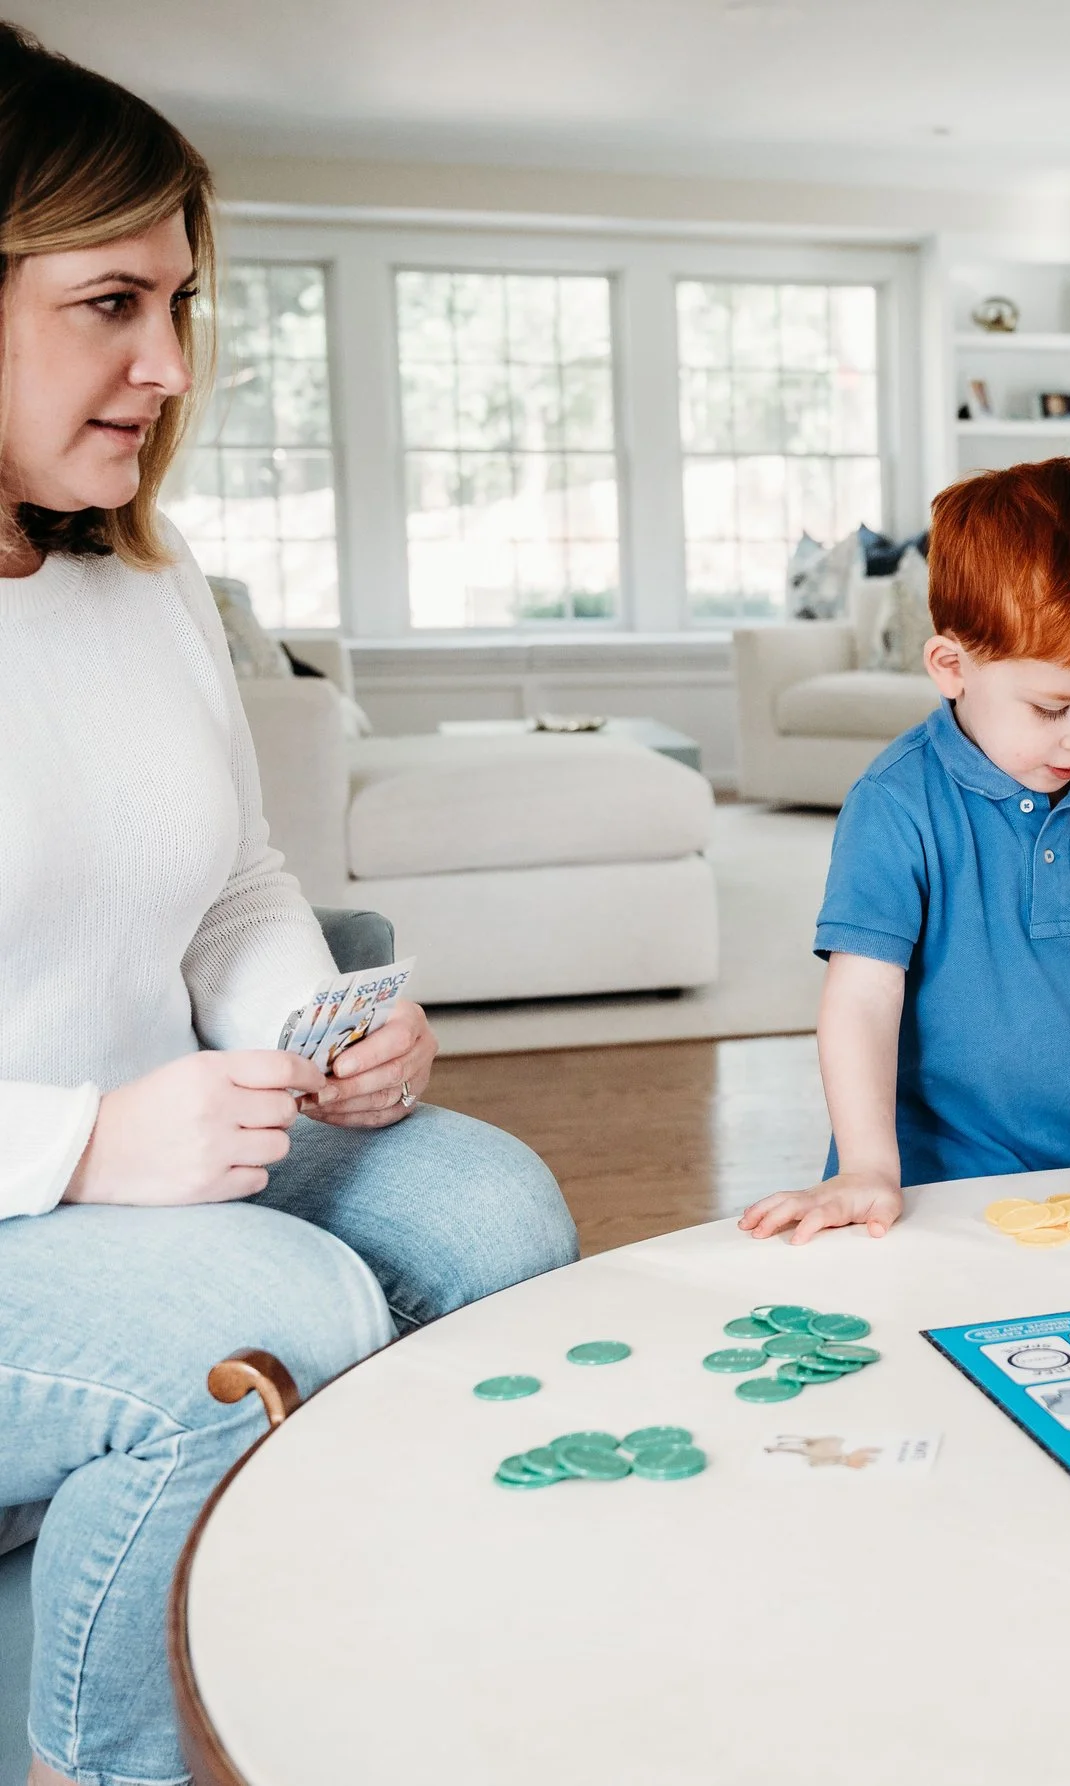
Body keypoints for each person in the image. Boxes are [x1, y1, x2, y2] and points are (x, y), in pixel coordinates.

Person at [0, 30, 579, 1786]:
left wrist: (306, 1027)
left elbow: (239, 882)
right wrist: (83, 1146)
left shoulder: (146, 588)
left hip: (149, 1152)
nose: (169, 364)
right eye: (112, 301)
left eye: (180, 304)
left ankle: (360, 1639)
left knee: (493, 1206)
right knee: (270, 1318)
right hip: (62, 1177)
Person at [740, 458, 1070, 1243]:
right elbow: (861, 999)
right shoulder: (897, 804)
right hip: (926, 1196)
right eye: (1052, 706)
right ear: (952, 668)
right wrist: (866, 1165)